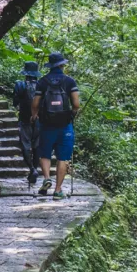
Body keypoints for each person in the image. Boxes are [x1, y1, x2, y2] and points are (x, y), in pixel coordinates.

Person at [31, 51, 81, 199]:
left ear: (50, 66)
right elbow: (76, 104)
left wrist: (34, 116)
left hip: (46, 125)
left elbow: (35, 103)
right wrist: (71, 114)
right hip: (65, 125)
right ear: (62, 65)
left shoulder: (43, 82)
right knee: (63, 158)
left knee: (44, 154)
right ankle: (58, 191)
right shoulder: (69, 81)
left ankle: (47, 178)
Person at [12, 60, 41, 184]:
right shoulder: (41, 85)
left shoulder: (20, 85)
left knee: (25, 145)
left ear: (26, 73)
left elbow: (15, 102)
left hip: (24, 119)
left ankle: (32, 169)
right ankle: (34, 170)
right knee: (37, 147)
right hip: (39, 120)